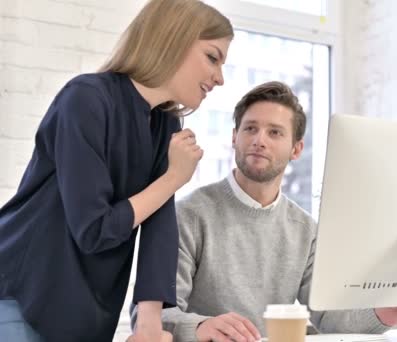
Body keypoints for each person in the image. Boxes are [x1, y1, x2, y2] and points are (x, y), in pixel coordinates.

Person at [0, 0, 233, 341]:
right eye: (212, 57)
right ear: (173, 38)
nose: (220, 78)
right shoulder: (85, 100)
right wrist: (172, 179)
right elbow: (93, 228)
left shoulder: (163, 125)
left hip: (84, 311)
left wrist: (149, 326)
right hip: (22, 295)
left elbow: (159, 231)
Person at [148, 82, 397, 342]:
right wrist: (202, 327)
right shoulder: (189, 214)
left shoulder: (304, 229)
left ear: (296, 149)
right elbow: (154, 317)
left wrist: (383, 314)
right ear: (234, 137)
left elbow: (329, 317)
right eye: (250, 128)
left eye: (275, 132)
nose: (259, 140)